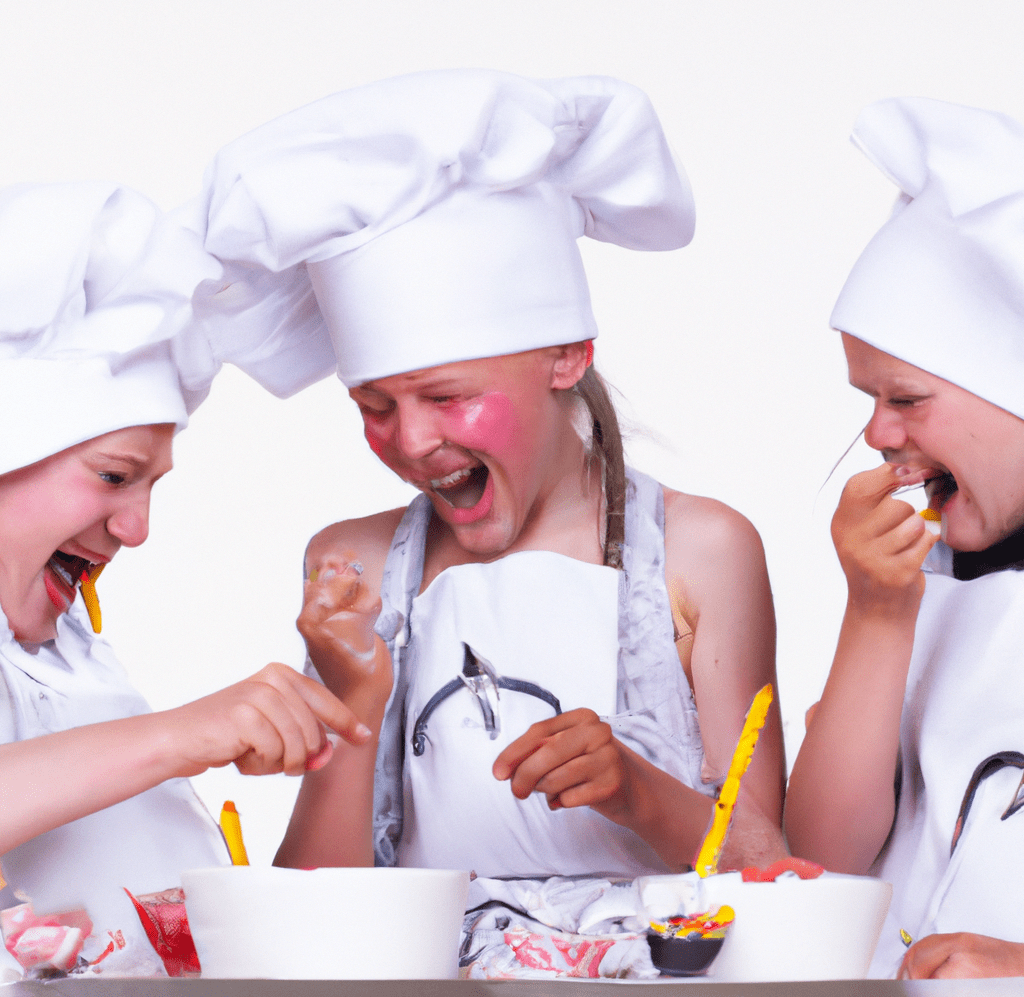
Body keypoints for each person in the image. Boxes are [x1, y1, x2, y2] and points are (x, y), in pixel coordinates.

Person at [193, 69, 785, 976]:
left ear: (567, 355)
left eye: (446, 396)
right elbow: (315, 900)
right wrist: (357, 702)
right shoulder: (349, 564)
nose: (411, 439)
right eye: (376, 403)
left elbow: (766, 868)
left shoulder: (705, 551)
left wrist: (634, 787)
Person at [0, 182, 369, 979]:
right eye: (113, 475)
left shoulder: (74, 658)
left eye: (150, 487)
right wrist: (179, 735)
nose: (136, 530)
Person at [785, 97, 1024, 980]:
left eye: (907, 398)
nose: (879, 435)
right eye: (867, 401)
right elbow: (822, 861)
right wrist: (876, 616)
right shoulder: (931, 573)